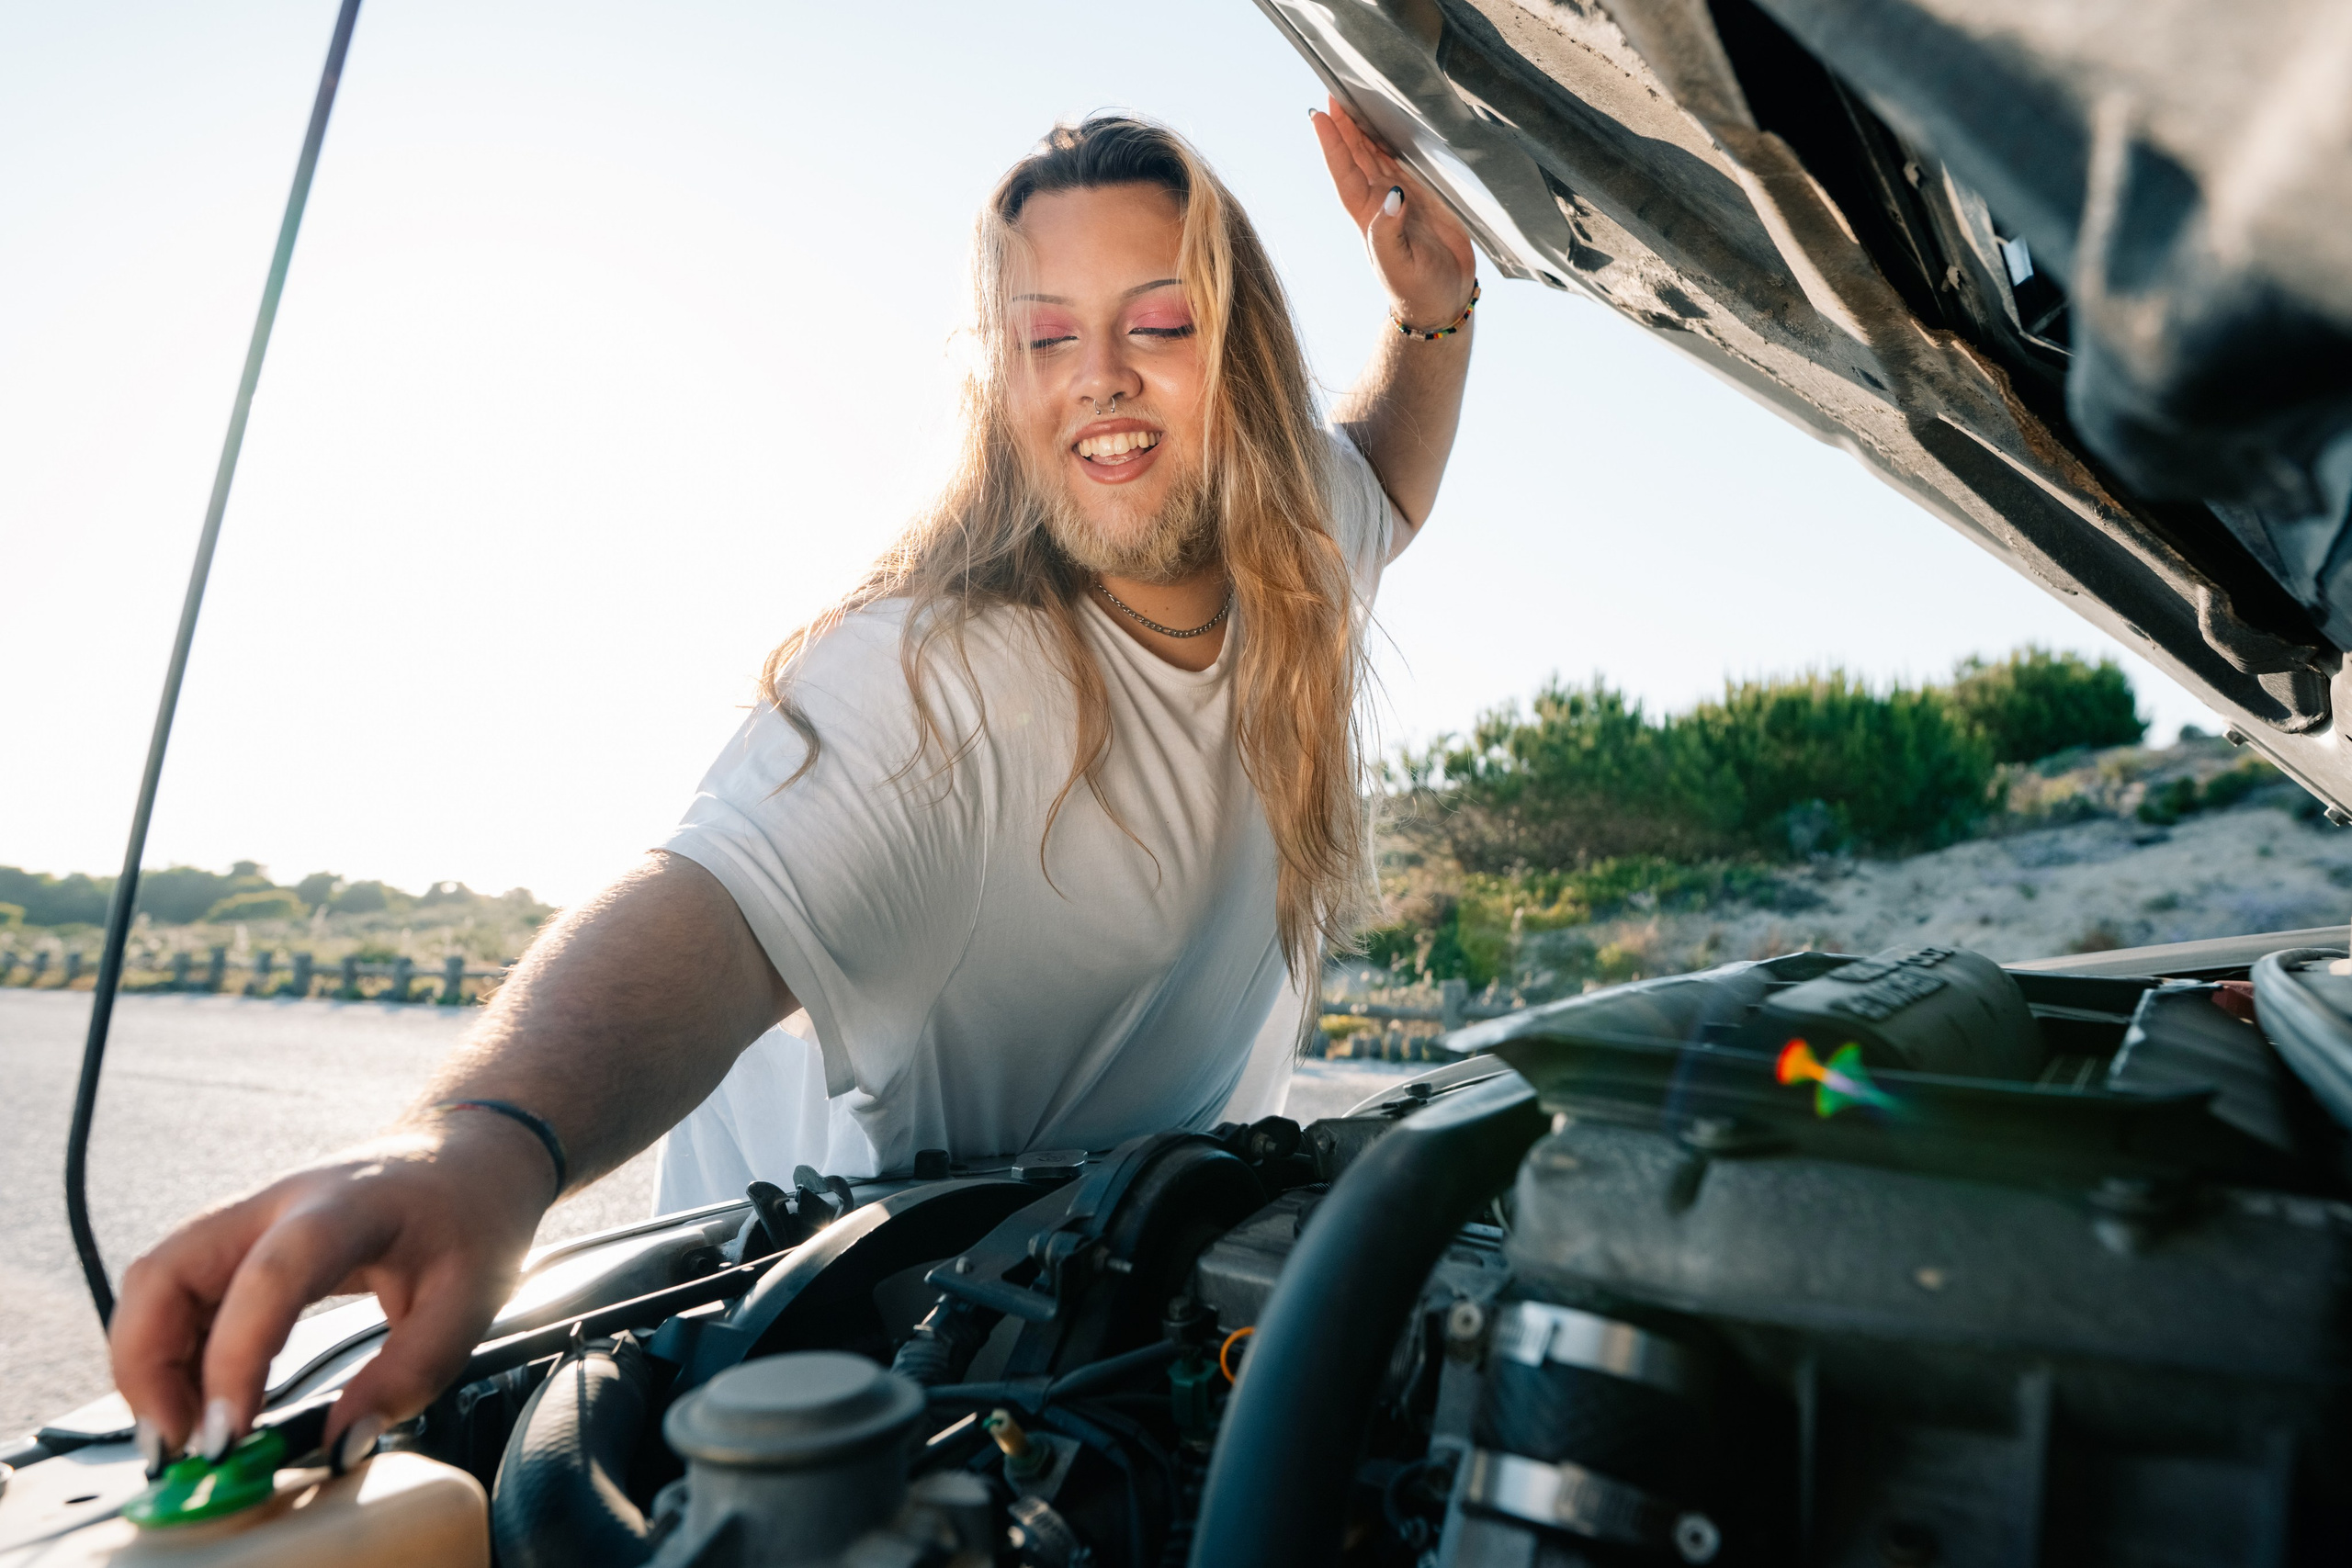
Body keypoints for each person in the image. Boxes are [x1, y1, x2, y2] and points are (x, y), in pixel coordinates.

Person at [108, 104, 1477, 1478]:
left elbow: (1388, 478)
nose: (1100, 379)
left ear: (1239, 354)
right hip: (809, 1394)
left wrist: (1434, 309)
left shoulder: (1294, 546)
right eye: (1046, 334)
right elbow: (708, 907)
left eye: (1160, 323)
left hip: (1108, 1335)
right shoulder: (928, 679)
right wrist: (482, 1148)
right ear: (1000, 381)